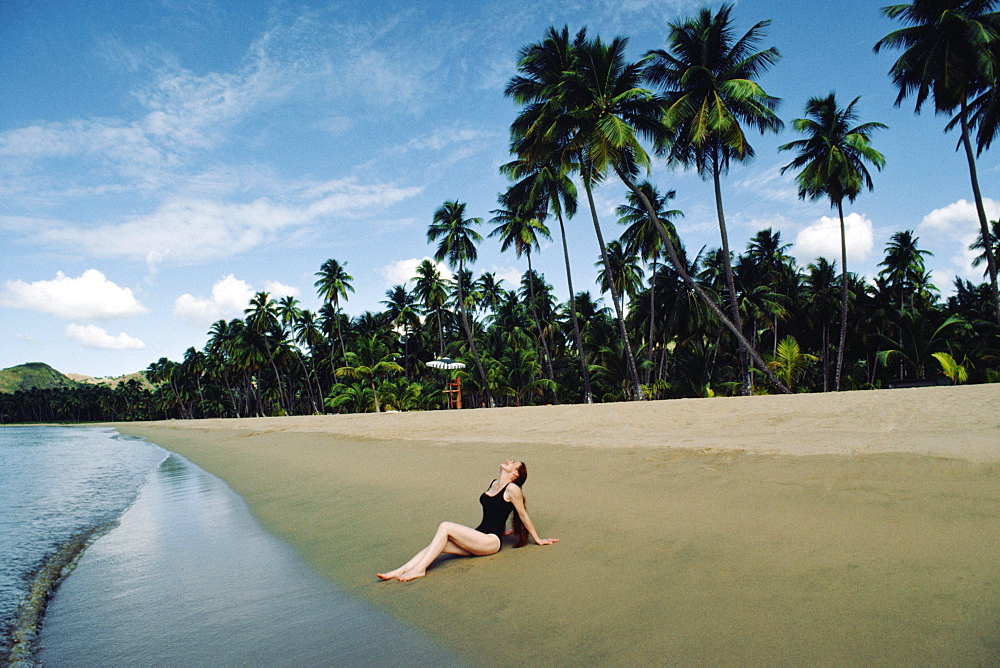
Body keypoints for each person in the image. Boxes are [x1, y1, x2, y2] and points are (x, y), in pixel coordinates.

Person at [377, 459, 558, 582]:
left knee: (445, 526)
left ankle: (420, 569)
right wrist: (505, 529)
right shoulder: (493, 483)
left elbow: (523, 515)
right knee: (438, 544)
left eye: (513, 463)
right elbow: (495, 512)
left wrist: (538, 539)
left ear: (516, 474)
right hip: (478, 536)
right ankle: (399, 571)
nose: (509, 461)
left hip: (490, 542)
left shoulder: (512, 489)